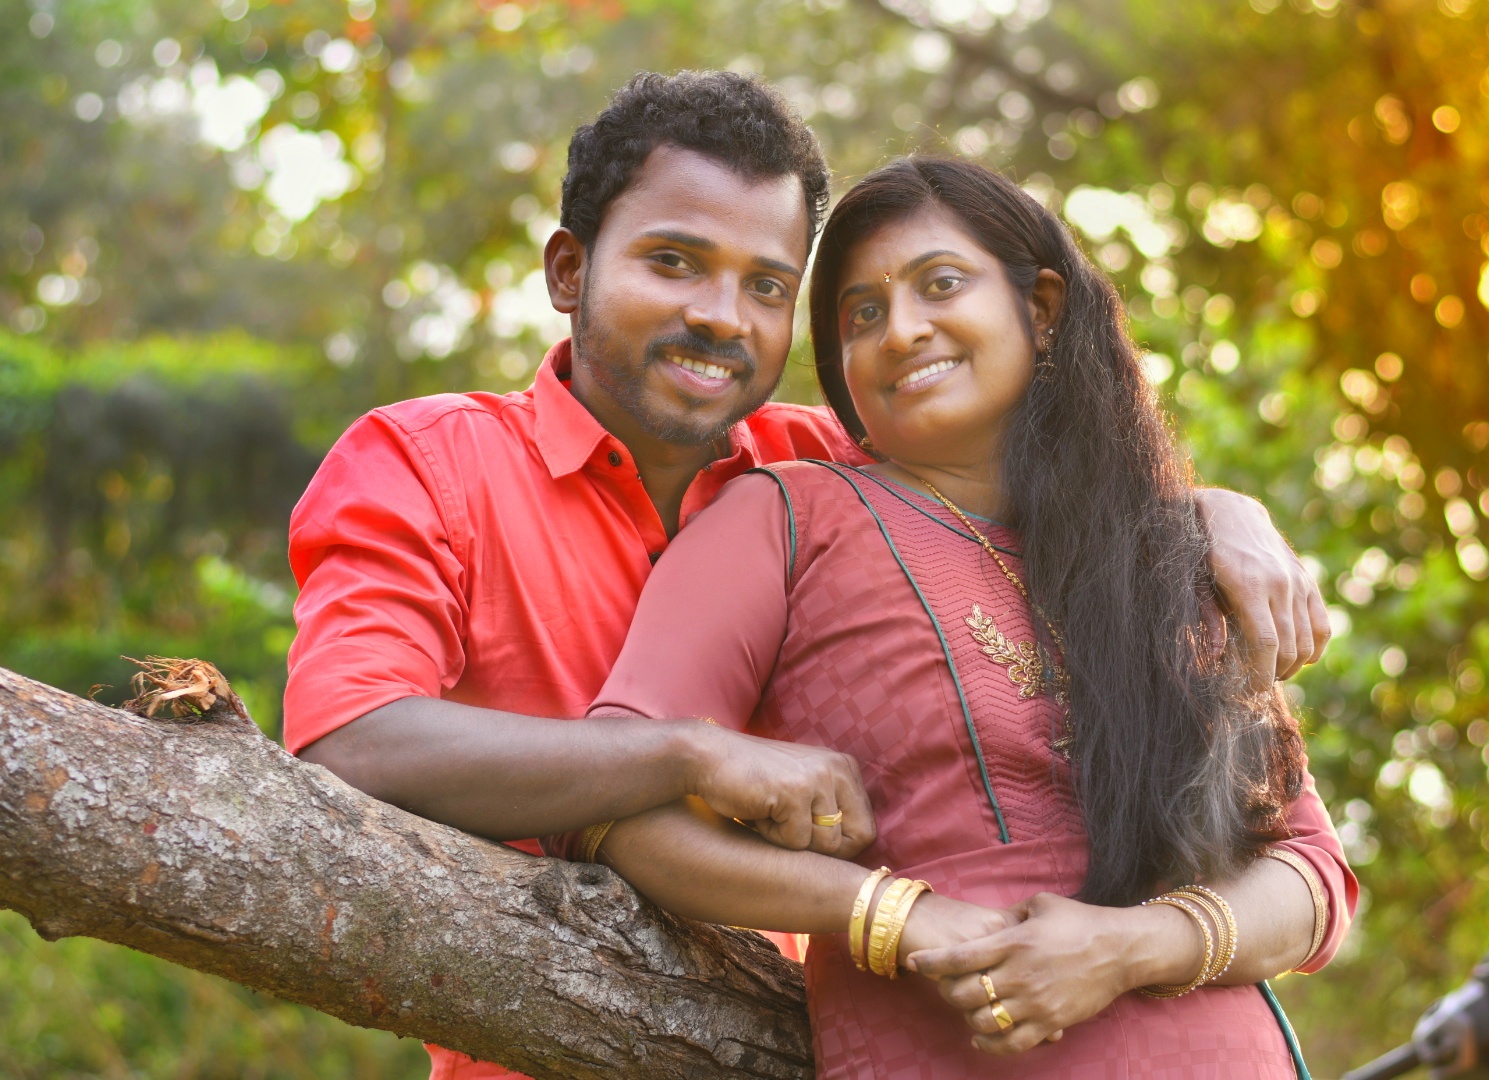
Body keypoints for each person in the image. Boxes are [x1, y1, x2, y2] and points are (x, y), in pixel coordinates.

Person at [283, 72, 1331, 1080]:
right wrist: (693, 755)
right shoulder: (430, 464)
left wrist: (1207, 517)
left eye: (769, 286)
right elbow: (352, 743)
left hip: (801, 1035)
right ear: (569, 271)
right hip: (537, 1045)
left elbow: (1035, 477)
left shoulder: (826, 461)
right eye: (674, 262)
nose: (724, 317)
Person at [564, 157, 1356, 1078]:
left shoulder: (1161, 560)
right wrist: (891, 914)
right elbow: (611, 808)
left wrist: (1130, 948)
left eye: (941, 284)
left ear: (1044, 308)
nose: (900, 331)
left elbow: (1311, 871)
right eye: (861, 314)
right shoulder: (780, 519)